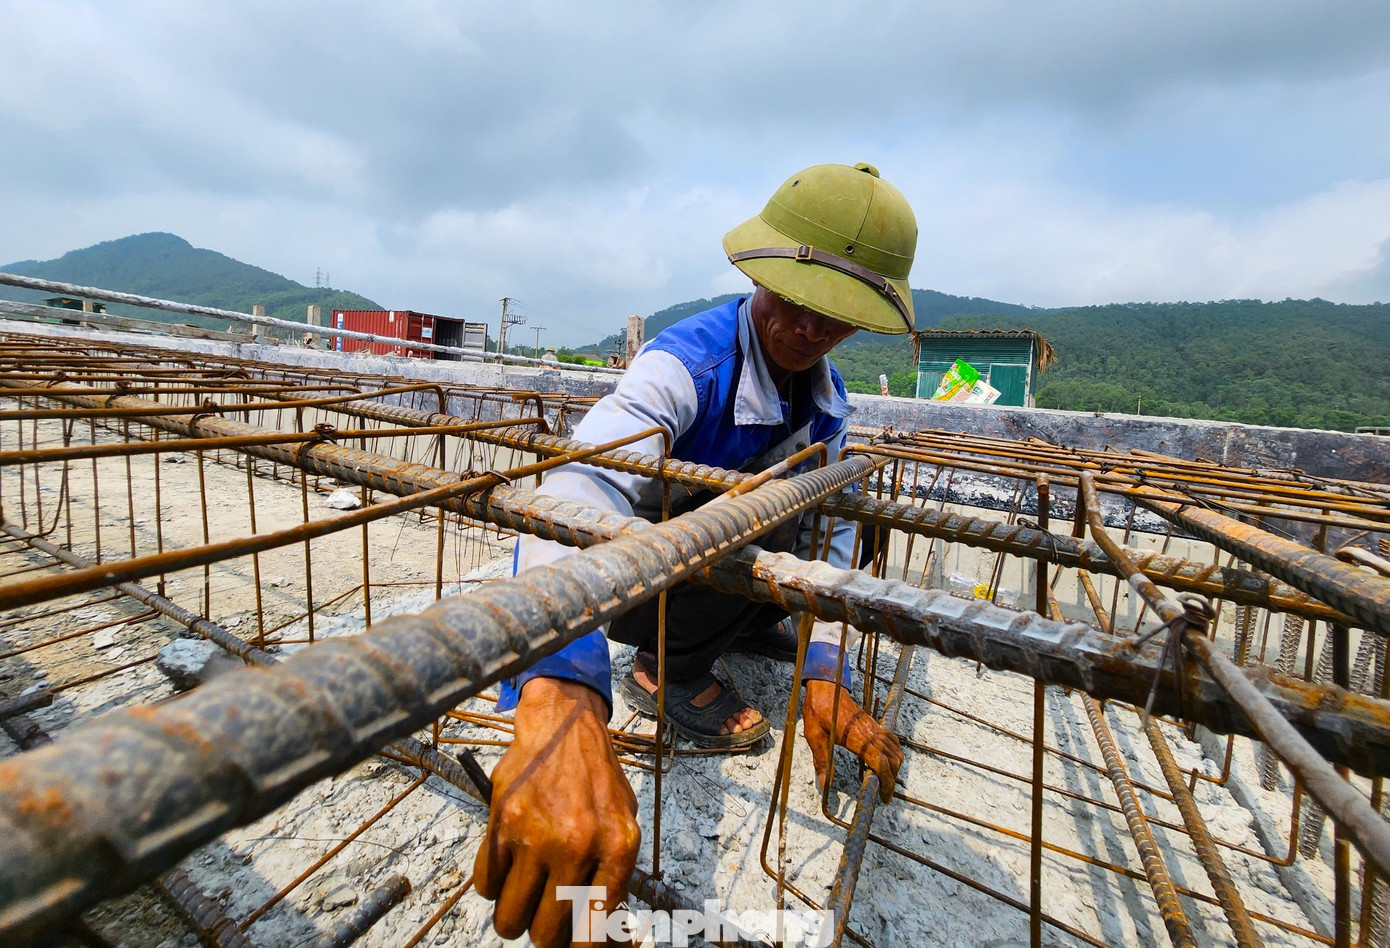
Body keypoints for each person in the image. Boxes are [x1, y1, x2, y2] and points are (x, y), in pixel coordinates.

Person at [475, 162, 916, 947]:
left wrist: (826, 671)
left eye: (836, 316)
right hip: (635, 581)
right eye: (796, 300)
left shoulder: (827, 403)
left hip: (706, 566)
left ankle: (748, 624)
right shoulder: (686, 366)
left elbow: (832, 539)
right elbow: (579, 484)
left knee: (840, 506)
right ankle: (665, 668)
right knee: (756, 516)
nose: (810, 329)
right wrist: (560, 692)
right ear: (760, 276)